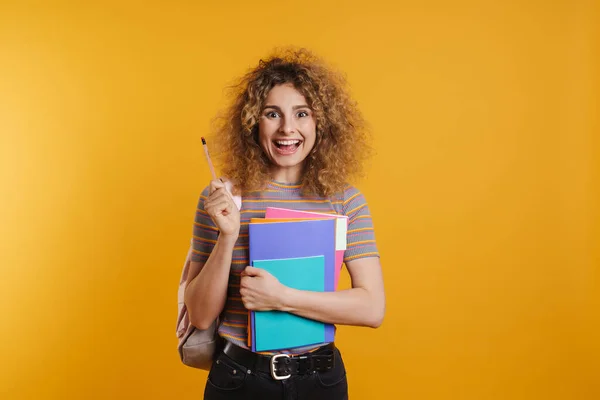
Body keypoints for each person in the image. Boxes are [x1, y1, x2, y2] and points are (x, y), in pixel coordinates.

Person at [184, 48, 385, 400]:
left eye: (302, 113)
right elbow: (200, 317)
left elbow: (372, 307)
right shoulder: (222, 198)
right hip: (239, 378)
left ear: (320, 122)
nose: (287, 129)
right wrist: (227, 236)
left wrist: (281, 298)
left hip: (320, 381)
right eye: (272, 114)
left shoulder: (346, 200)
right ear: (253, 121)